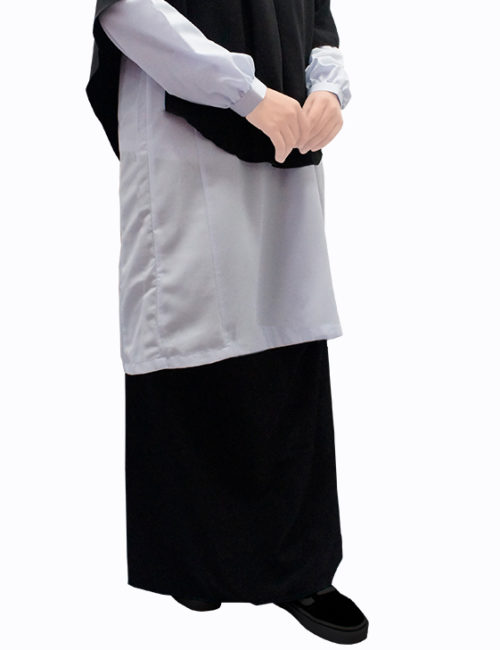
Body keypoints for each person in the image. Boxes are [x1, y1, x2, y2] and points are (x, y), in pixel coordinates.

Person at [85, 0, 369, 643]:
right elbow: (128, 11)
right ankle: (193, 560)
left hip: (288, 136)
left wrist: (328, 90)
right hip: (182, 133)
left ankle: (297, 569)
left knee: (285, 331)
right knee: (192, 326)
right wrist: (246, 95)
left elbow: (317, 21)